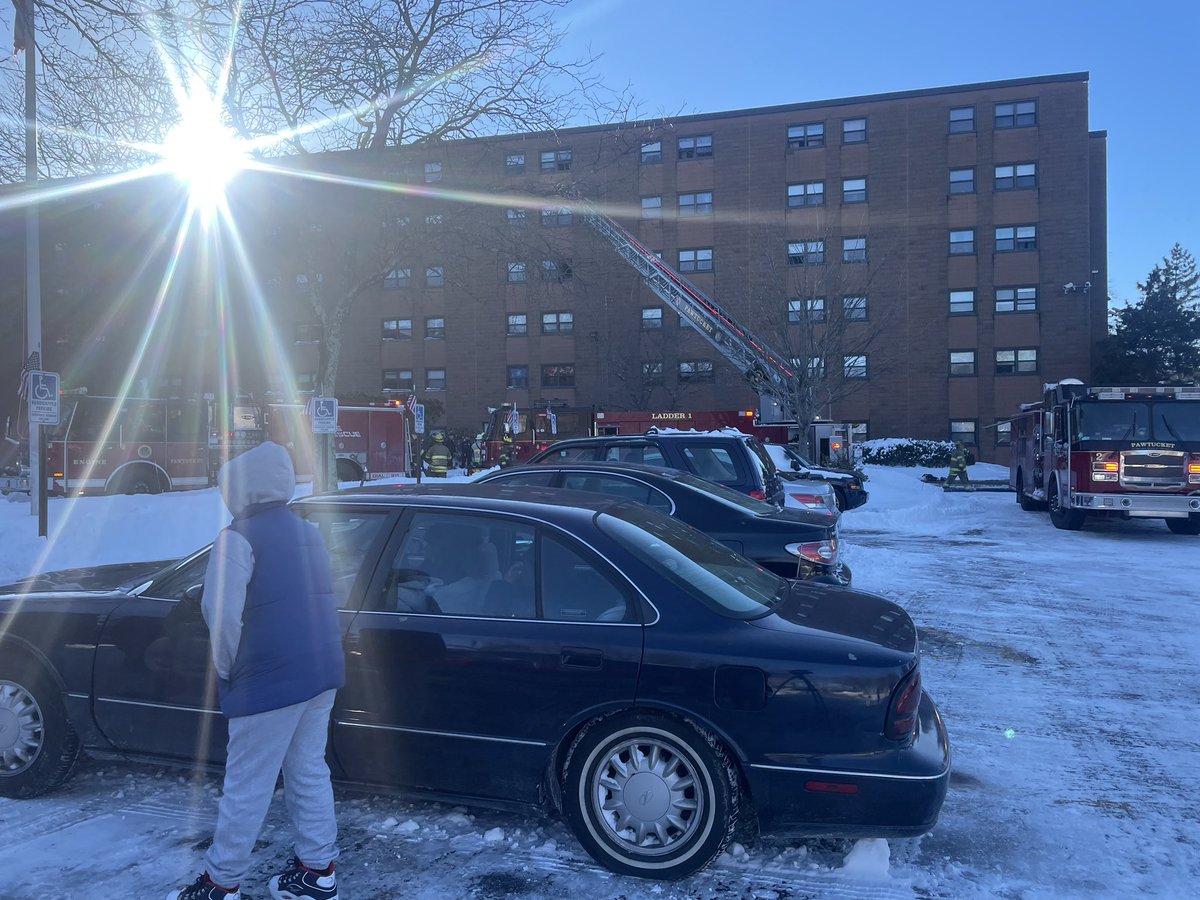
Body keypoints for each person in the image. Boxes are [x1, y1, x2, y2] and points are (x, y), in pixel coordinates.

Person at [168, 441, 344, 900]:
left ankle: (219, 884)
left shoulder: (237, 537)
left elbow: (220, 613)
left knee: (246, 785)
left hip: (268, 677)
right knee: (308, 770)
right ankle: (317, 872)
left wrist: (228, 668)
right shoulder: (310, 532)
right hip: (321, 670)